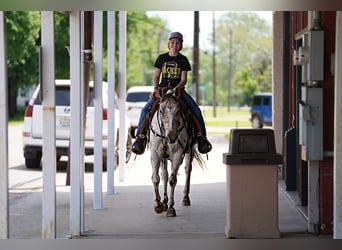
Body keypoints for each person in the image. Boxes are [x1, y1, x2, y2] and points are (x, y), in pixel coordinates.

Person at [131, 31, 212, 155]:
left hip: (178, 91)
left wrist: (177, 88)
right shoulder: (162, 58)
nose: (175, 44)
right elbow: (157, 75)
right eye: (172, 42)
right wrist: (155, 89)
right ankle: (139, 138)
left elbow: (184, 79)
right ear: (169, 44)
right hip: (162, 90)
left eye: (177, 42)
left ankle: (202, 139)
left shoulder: (183, 60)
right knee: (146, 109)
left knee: (195, 110)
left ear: (181, 45)